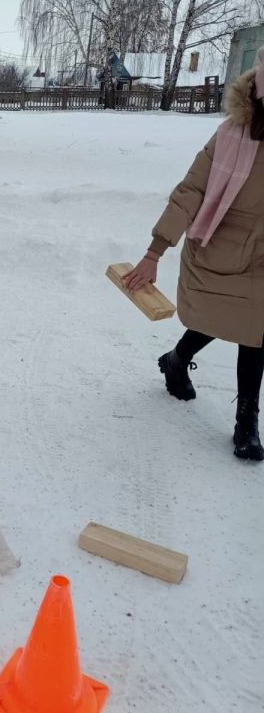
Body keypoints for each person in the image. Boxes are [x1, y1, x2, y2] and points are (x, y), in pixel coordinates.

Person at [124, 47, 264, 461]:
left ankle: (246, 421)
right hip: (221, 244)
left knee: (257, 332)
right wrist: (154, 252)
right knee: (224, 319)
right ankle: (177, 359)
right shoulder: (229, 136)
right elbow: (190, 193)